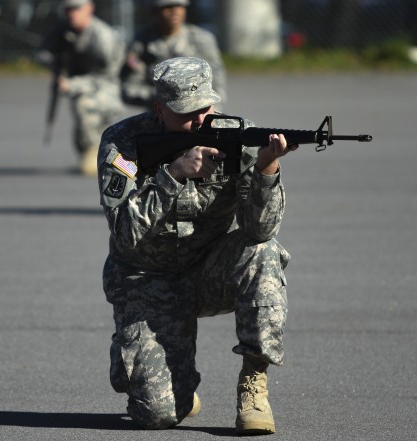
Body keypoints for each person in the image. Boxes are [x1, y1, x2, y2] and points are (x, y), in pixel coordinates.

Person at [97, 57, 296, 434]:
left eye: (206, 109)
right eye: (187, 114)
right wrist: (174, 174)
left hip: (208, 270)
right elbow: (124, 232)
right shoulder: (123, 144)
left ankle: (253, 383)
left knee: (264, 253)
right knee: (157, 415)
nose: (201, 121)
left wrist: (267, 169)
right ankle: (174, 380)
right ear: (160, 111)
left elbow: (261, 230)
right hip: (146, 279)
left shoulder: (238, 137)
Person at [37, 0, 126, 175]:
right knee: (83, 118)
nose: (72, 14)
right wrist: (56, 65)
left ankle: (104, 157)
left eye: (77, 8)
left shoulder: (102, 39)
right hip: (82, 84)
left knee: (85, 106)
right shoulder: (62, 29)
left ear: (89, 8)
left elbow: (106, 77)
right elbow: (43, 52)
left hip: (109, 88)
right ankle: (95, 153)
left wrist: (71, 84)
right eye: (68, 9)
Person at [120, 0, 227, 110]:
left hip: (198, 112)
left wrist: (208, 112)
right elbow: (129, 89)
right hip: (159, 116)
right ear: (154, 10)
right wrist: (167, 96)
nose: (174, 11)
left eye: (179, 6)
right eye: (166, 7)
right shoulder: (142, 43)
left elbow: (217, 85)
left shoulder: (202, 40)